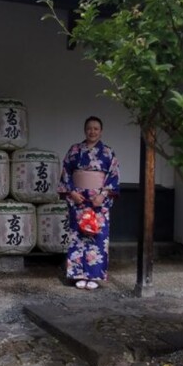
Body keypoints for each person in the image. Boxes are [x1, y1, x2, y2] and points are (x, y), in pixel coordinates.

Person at [58, 116, 120, 290]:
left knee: (97, 235)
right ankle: (78, 274)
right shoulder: (74, 150)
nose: (92, 131)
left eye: (96, 129)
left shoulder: (108, 152)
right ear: (85, 130)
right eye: (89, 128)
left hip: (98, 200)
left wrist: (102, 195)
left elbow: (113, 176)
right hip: (78, 198)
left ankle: (94, 274)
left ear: (101, 131)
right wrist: (72, 192)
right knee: (77, 234)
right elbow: (66, 173)